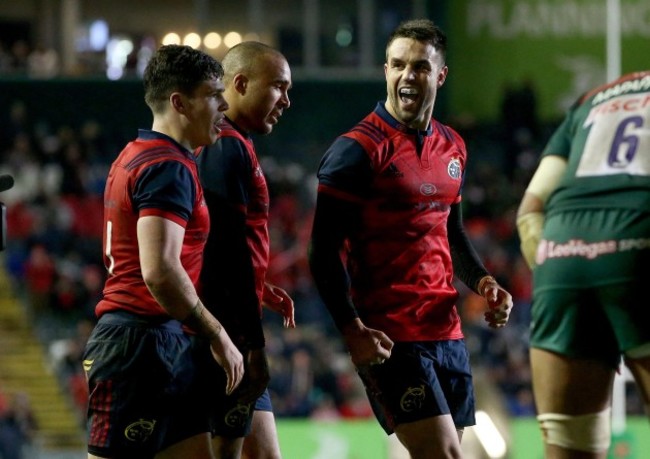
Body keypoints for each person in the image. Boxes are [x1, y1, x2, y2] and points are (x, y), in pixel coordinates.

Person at [308, 18, 513, 459]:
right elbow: (322, 253)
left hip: (446, 329)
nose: (407, 75)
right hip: (390, 335)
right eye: (398, 65)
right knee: (444, 454)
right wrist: (351, 330)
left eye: (419, 66)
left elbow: (451, 231)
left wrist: (483, 283)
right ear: (385, 70)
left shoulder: (453, 145)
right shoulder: (356, 151)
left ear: (440, 75)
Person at [82, 44, 244, 459]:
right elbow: (159, 270)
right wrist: (217, 334)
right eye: (213, 94)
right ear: (179, 103)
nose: (224, 104)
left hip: (161, 341)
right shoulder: (166, 166)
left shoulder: (137, 154)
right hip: (139, 345)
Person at [516, 70, 650, 458]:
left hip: (561, 255)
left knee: (570, 449)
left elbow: (529, 212)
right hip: (639, 238)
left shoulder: (594, 97)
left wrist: (561, 270)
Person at [195, 41, 294, 459]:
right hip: (225, 333)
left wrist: (259, 285)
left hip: (233, 320)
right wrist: (253, 346)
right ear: (239, 83)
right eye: (278, 87)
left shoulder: (236, 144)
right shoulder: (225, 146)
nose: (286, 101)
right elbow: (225, 248)